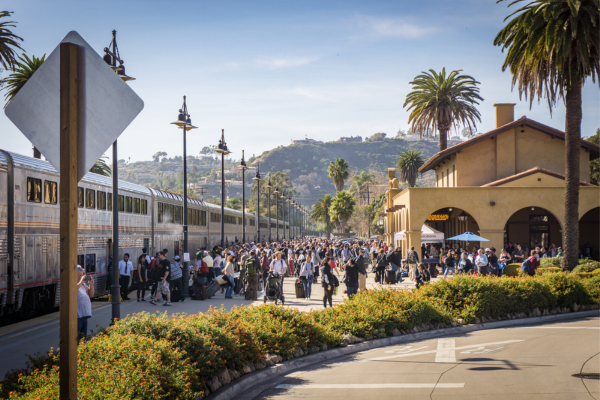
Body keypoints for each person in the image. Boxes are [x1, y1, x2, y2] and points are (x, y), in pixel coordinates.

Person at [77, 265, 94, 341]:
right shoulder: (72, 283)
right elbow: (72, 291)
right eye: (79, 275)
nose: (81, 277)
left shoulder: (83, 285)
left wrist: (91, 285)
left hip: (84, 315)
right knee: (76, 338)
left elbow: (91, 294)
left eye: (82, 275)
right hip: (77, 316)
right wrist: (80, 282)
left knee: (83, 338)